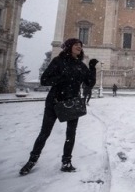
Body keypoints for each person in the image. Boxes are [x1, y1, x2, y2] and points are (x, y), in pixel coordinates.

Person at [19, 38, 98, 175]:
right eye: (76, 45)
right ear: (69, 47)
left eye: (80, 45)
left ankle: (66, 161)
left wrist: (92, 68)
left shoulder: (81, 65)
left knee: (70, 134)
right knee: (45, 133)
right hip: (55, 101)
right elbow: (44, 80)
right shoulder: (58, 61)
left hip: (72, 101)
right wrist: (61, 78)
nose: (79, 47)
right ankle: (32, 160)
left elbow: (89, 83)